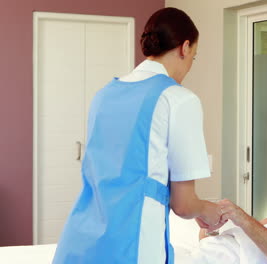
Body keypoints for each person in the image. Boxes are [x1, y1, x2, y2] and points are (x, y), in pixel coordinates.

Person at [53, 7, 222, 264]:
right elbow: (184, 204)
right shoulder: (178, 100)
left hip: (80, 243)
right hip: (132, 246)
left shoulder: (104, 94)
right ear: (185, 48)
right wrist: (209, 211)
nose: (189, 67)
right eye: (193, 58)